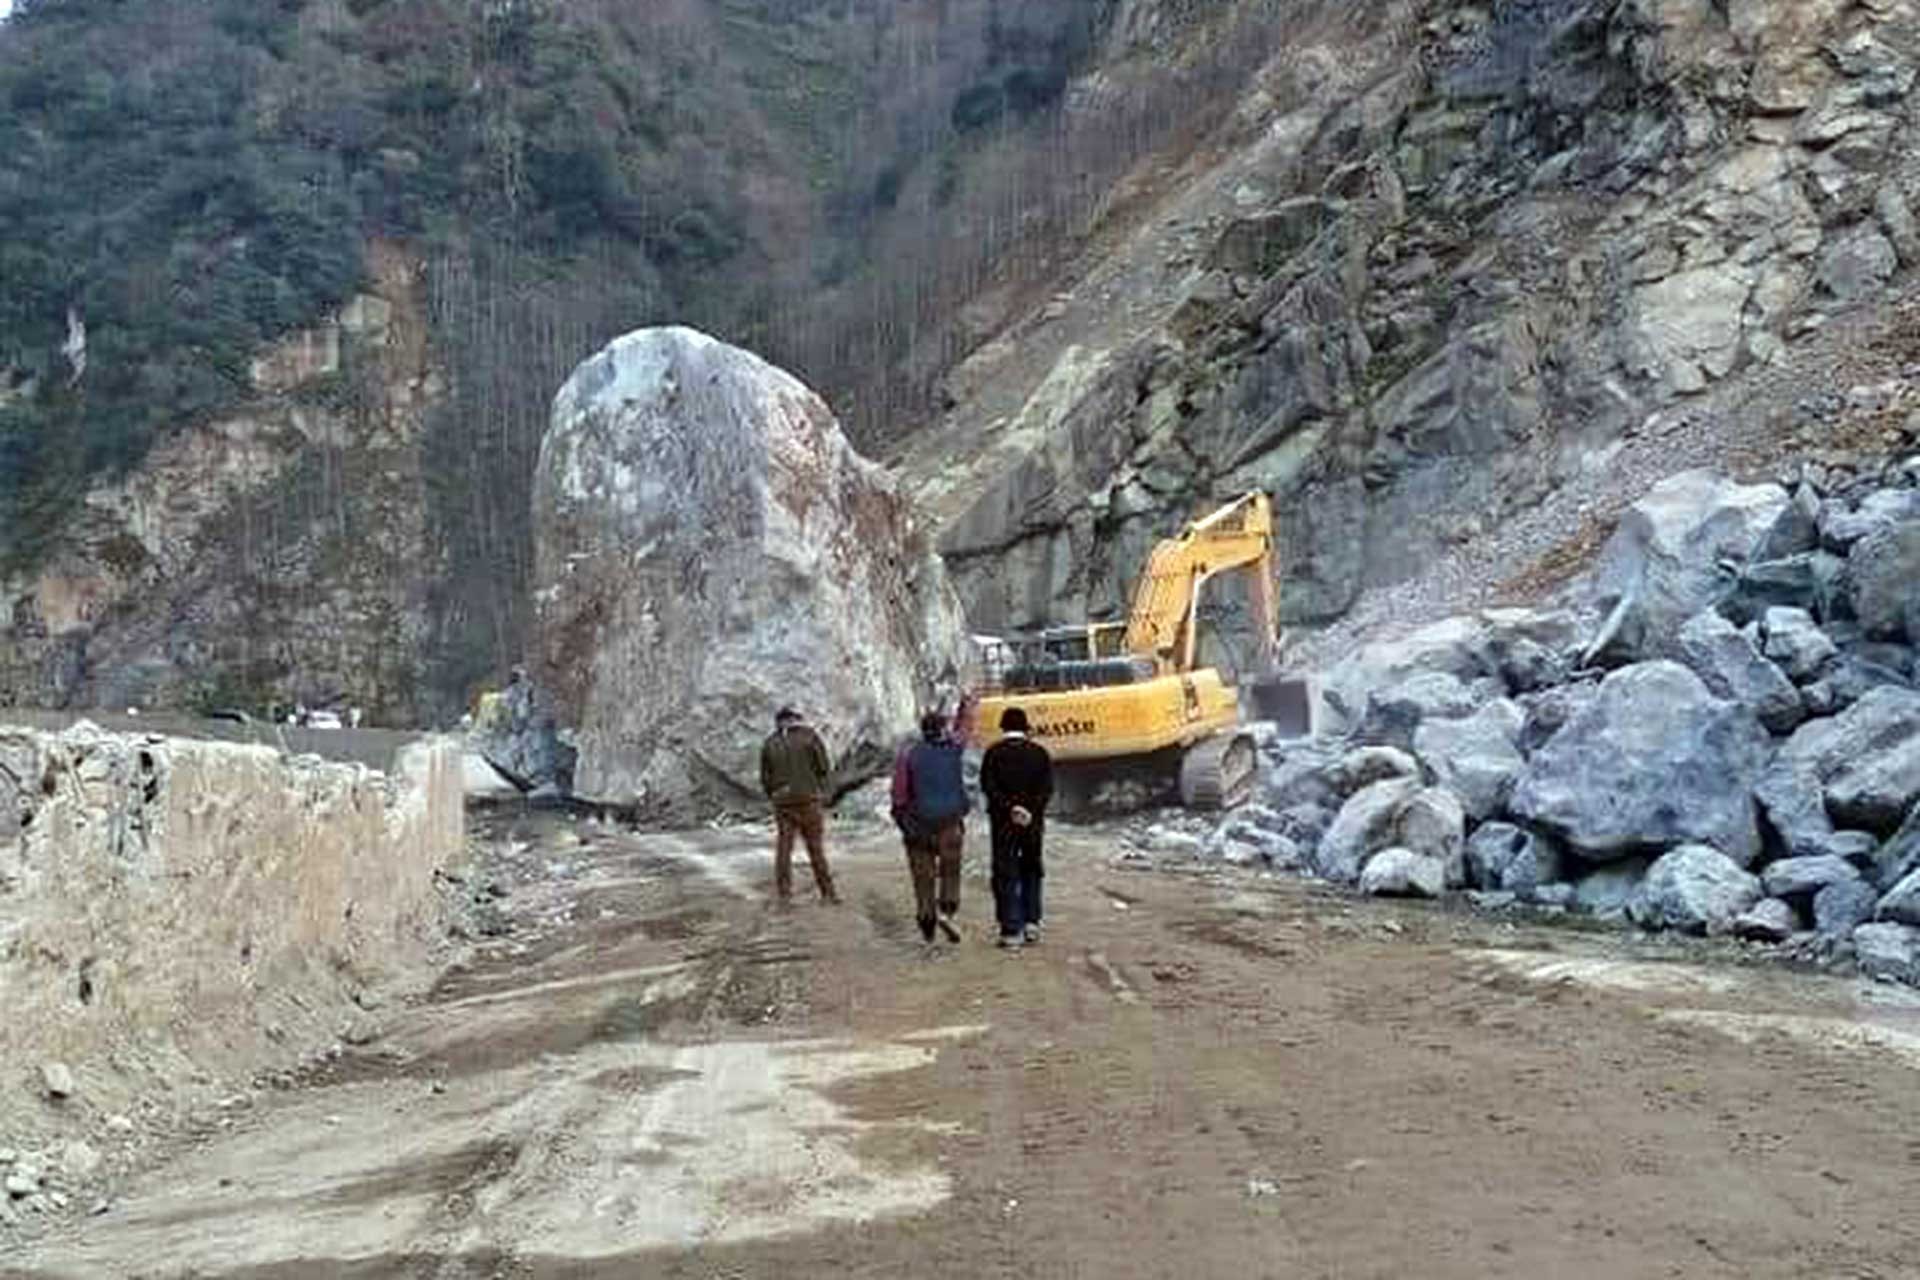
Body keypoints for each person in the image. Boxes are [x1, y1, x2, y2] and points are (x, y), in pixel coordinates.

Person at [891, 710, 970, 944]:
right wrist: (967, 707)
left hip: (918, 826)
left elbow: (899, 796)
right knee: (951, 871)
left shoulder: (908, 756)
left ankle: (927, 930)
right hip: (950, 823)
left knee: (922, 878)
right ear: (943, 730)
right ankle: (947, 911)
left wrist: (902, 822)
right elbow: (965, 729)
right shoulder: (954, 749)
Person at [980, 706, 1054, 949]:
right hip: (1032, 824)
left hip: (1003, 823)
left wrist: (1011, 809)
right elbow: (1046, 789)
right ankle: (1032, 922)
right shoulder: (1039, 753)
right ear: (1025, 727)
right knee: (1032, 868)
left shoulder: (993, 754)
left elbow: (988, 787)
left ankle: (1011, 930)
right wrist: (1029, 811)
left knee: (1005, 872)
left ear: (1003, 727)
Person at [759, 707, 839, 905]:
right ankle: (828, 893)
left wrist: (775, 795)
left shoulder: (770, 742)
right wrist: (823, 794)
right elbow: (823, 767)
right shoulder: (810, 737)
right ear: (796, 719)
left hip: (783, 802)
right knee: (815, 848)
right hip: (809, 800)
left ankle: (784, 894)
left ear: (779, 721)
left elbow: (765, 777)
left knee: (784, 849)